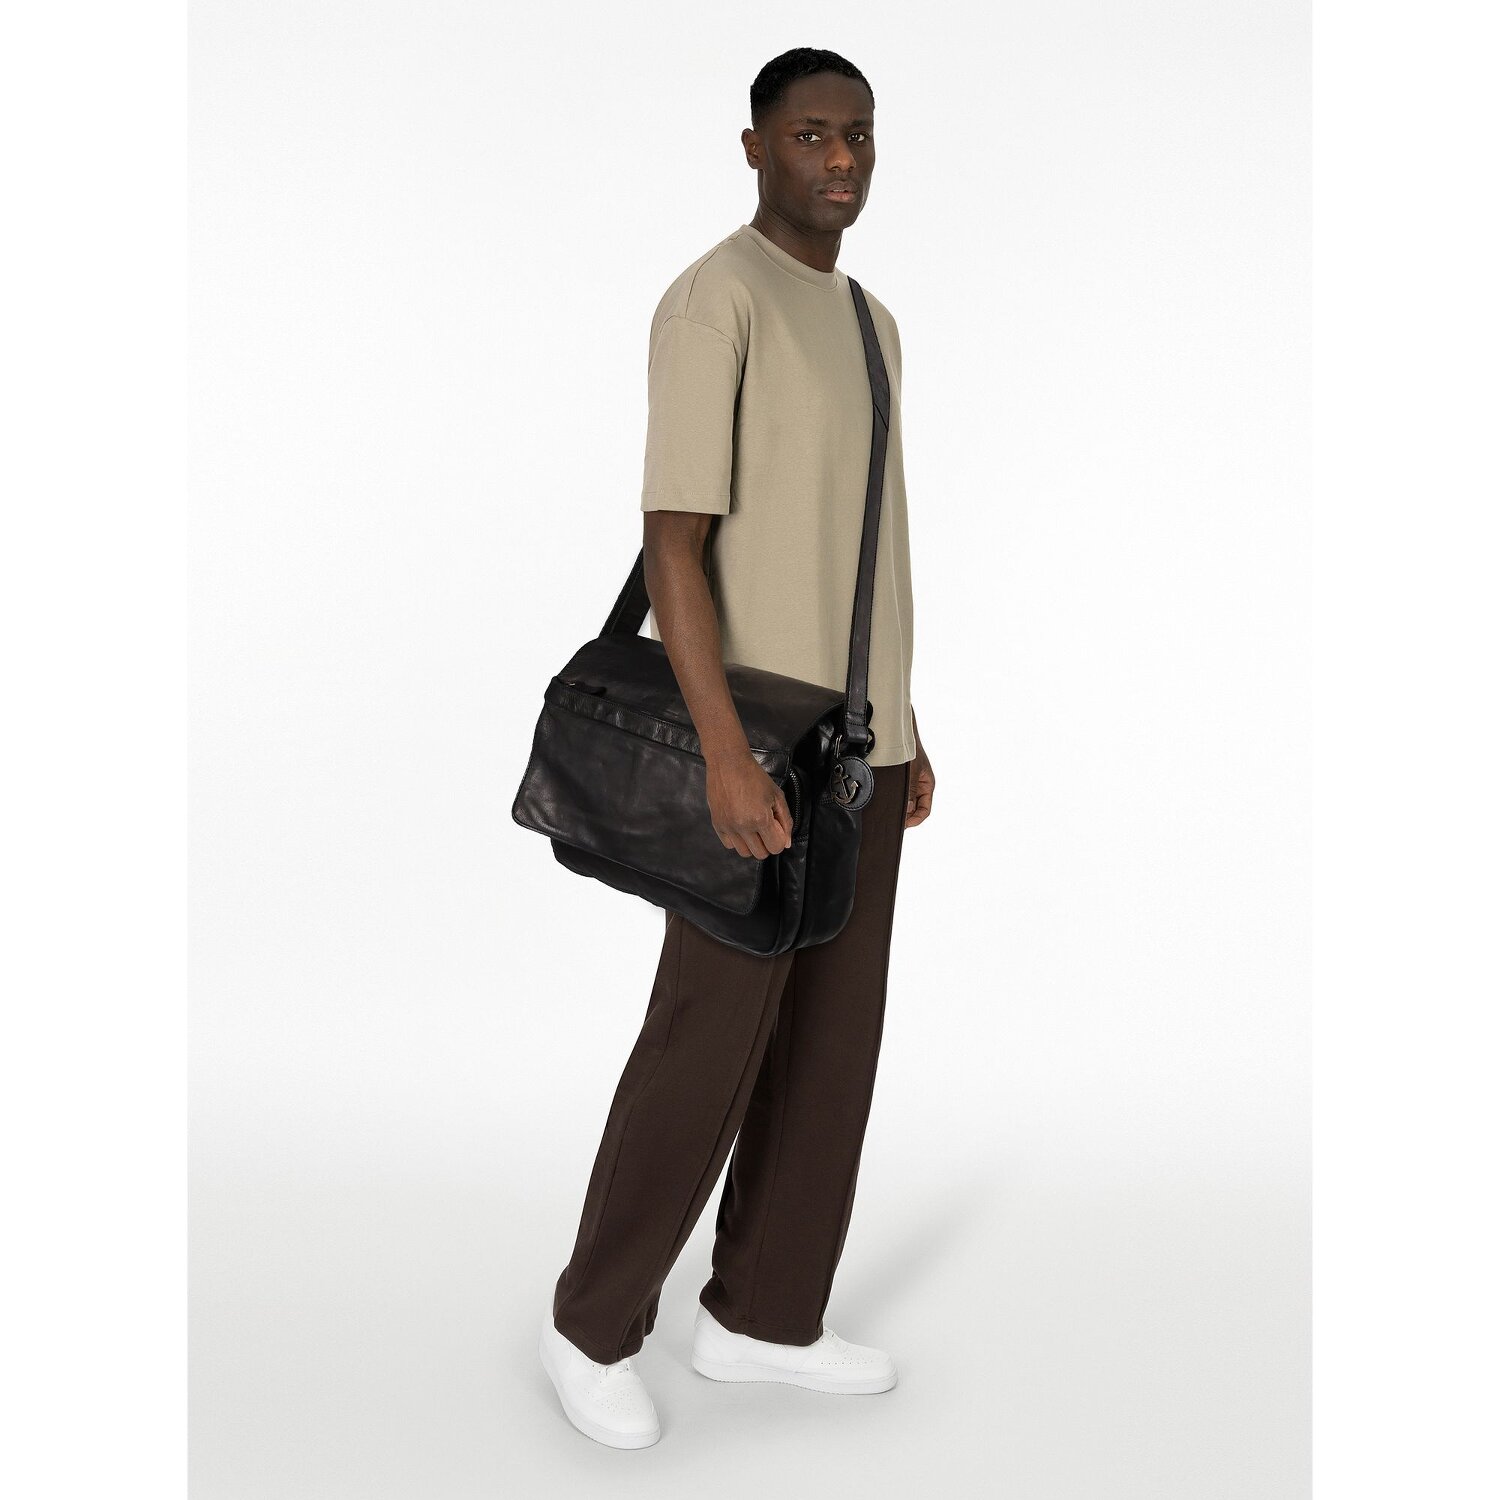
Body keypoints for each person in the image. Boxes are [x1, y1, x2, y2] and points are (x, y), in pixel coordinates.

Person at [537, 47, 936, 1450]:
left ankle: (765, 1314)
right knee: (707, 1039)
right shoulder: (718, 301)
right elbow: (675, 543)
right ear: (756, 146)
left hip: (858, 747)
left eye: (859, 135)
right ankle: (591, 1325)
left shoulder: (874, 322)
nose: (841, 159)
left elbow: (859, 544)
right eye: (811, 134)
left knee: (833, 1042)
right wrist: (721, 754)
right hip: (756, 745)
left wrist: (907, 723)